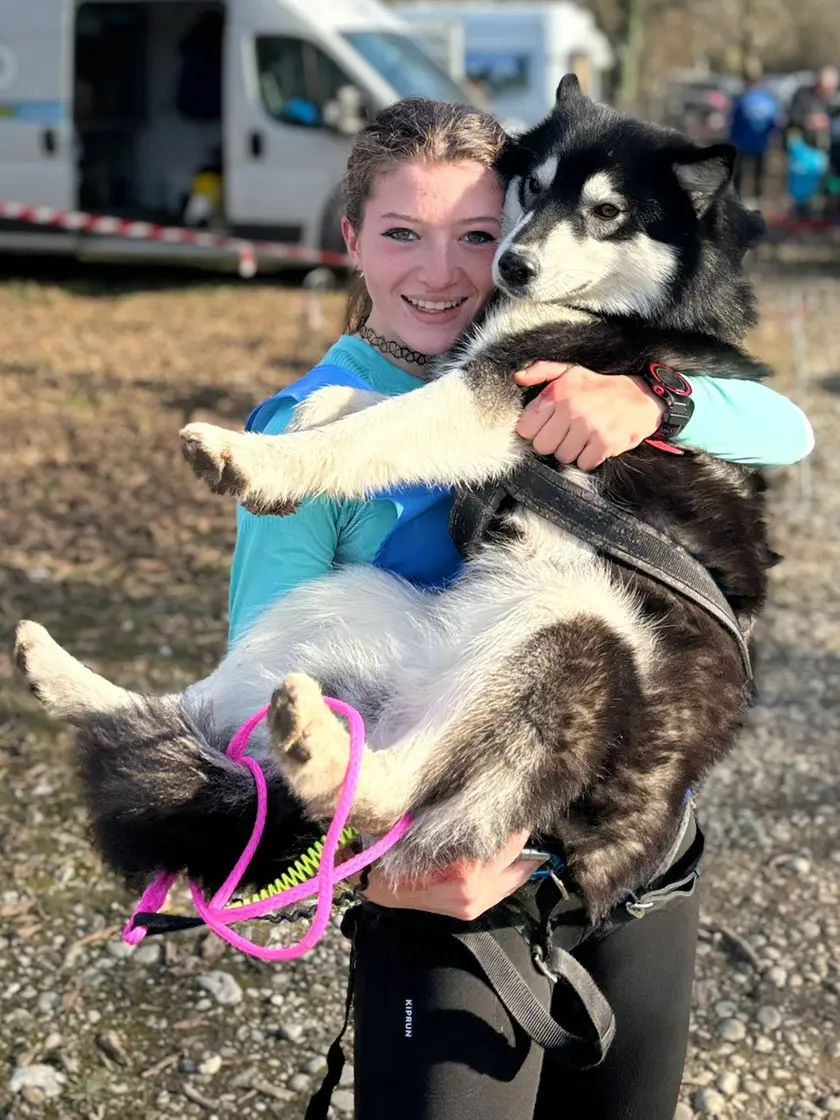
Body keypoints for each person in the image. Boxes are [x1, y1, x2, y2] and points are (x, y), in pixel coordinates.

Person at [228, 99, 814, 1120]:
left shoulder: (576, 358)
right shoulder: (303, 434)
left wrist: (659, 402)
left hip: (637, 859)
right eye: (404, 233)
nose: (447, 272)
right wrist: (366, 877)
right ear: (351, 240)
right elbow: (260, 702)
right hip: (454, 893)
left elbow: (786, 426)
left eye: (480, 235)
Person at [729, 61, 780, 204]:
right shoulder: (765, 99)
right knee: (748, 173)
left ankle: (747, 198)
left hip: (751, 143)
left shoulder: (748, 99)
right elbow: (775, 123)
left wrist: (733, 137)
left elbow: (734, 120)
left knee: (749, 173)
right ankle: (748, 199)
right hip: (752, 142)